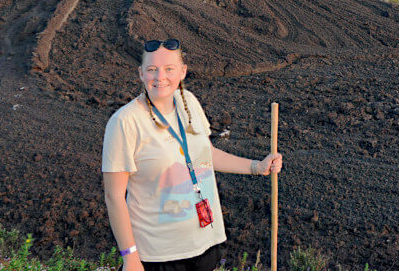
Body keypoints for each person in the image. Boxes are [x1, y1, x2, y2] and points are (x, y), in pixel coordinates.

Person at [102, 38, 283, 271]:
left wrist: (257, 167)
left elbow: (204, 155)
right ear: (140, 73)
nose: (160, 77)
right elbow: (114, 197)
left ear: (183, 72)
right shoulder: (125, 122)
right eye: (152, 69)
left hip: (204, 246)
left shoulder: (188, 102)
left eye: (169, 69)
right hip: (159, 257)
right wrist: (130, 258)